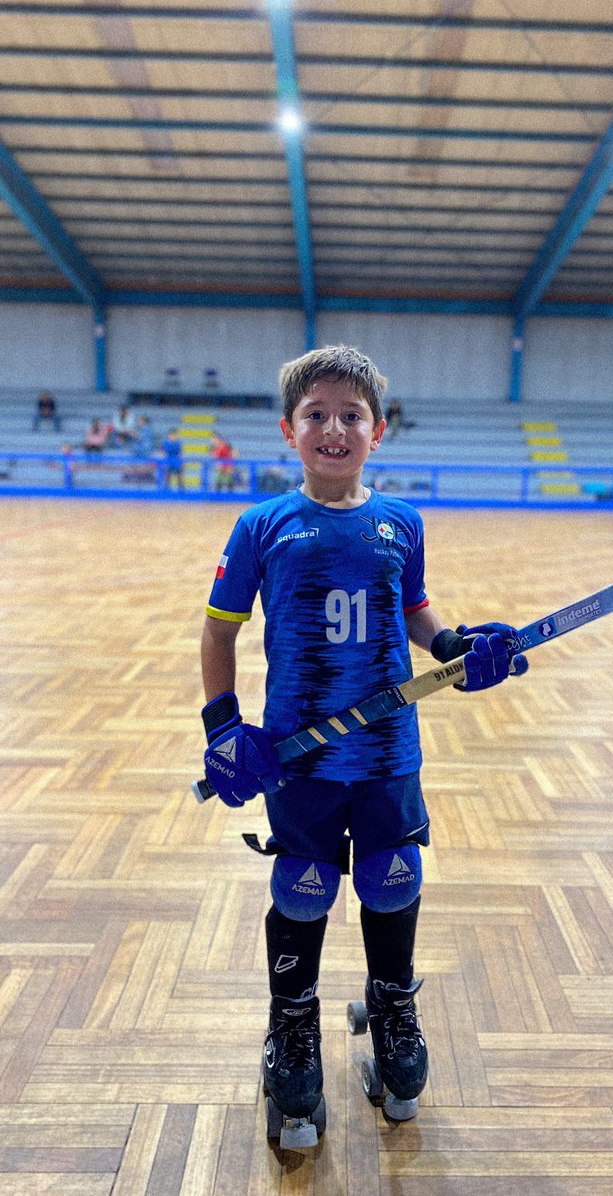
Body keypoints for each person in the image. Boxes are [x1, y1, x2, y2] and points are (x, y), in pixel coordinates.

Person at [199, 344, 529, 1133]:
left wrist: (452, 647)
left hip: (387, 755)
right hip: (300, 760)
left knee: (391, 878)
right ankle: (293, 1023)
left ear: (377, 431)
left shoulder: (401, 522)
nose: (334, 428)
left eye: (352, 415)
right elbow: (218, 633)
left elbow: (414, 609)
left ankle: (392, 1013)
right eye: (317, 414)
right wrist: (223, 729)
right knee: (303, 886)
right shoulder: (261, 525)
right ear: (289, 430)